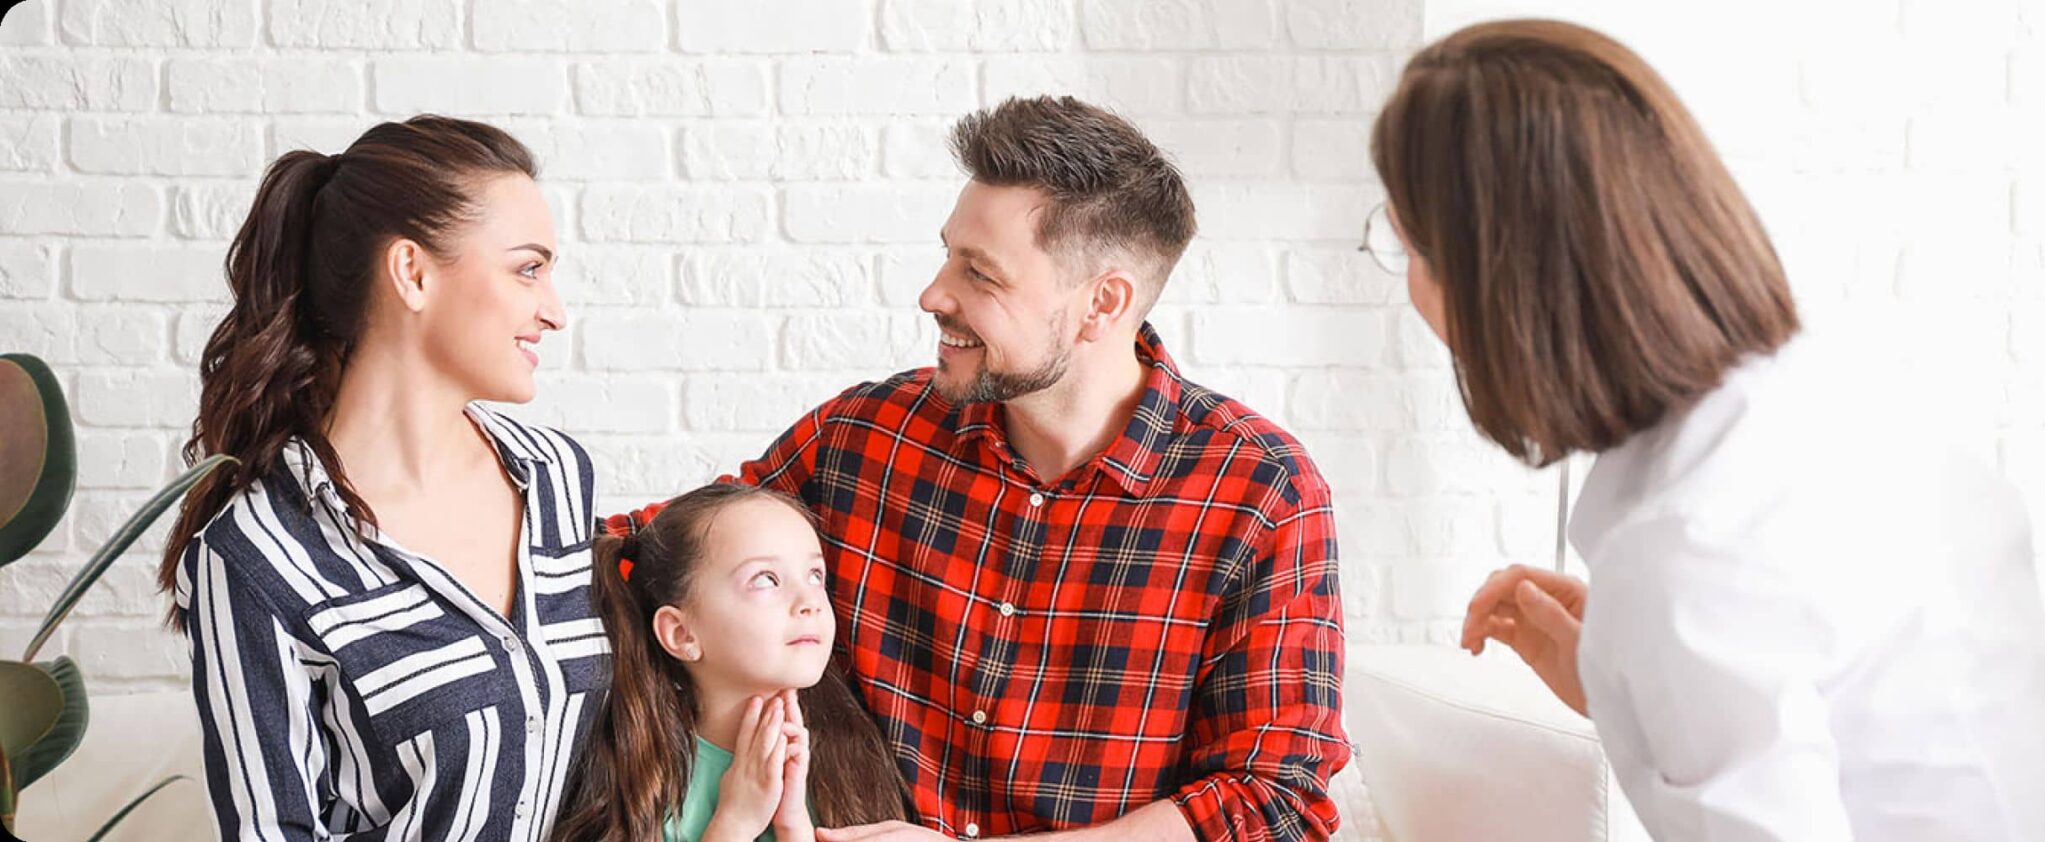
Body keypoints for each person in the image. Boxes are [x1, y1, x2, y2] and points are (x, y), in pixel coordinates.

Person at [1364, 19, 2045, 841]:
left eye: (1410, 249)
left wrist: (1651, 635)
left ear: (1501, 282)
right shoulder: (1823, 402)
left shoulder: (1688, 549)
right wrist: (1616, 668)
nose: (1410, 288)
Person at [607, 96, 1349, 842]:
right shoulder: (868, 436)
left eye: (981, 274)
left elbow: (1272, 802)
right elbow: (652, 550)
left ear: (1103, 304)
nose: (934, 294)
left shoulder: (1258, 493)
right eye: (947, 255)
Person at [163, 115, 601, 841]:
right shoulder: (254, 556)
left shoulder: (557, 478)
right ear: (413, 273)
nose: (554, 311)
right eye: (528, 268)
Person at [553, 483, 908, 842]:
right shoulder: (643, 779)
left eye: (815, 576)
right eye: (766, 579)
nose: (810, 602)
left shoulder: (854, 761)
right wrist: (735, 823)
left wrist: (794, 828)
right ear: (681, 633)